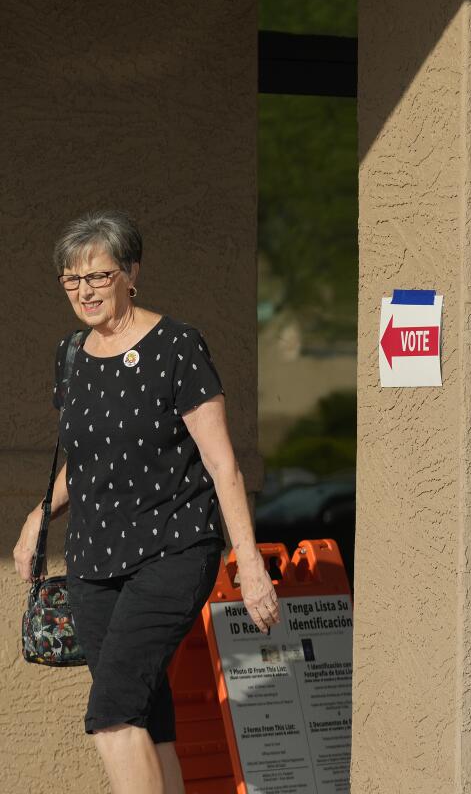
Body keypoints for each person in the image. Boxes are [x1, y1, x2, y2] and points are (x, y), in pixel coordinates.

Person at [11, 211, 280, 794]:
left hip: (172, 550)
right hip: (92, 562)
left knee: (110, 716)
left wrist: (251, 564)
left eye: (98, 277)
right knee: (145, 714)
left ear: (131, 273)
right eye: (72, 280)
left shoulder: (176, 346)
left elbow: (221, 463)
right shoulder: (71, 354)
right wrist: (38, 517)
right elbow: (85, 463)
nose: (84, 292)